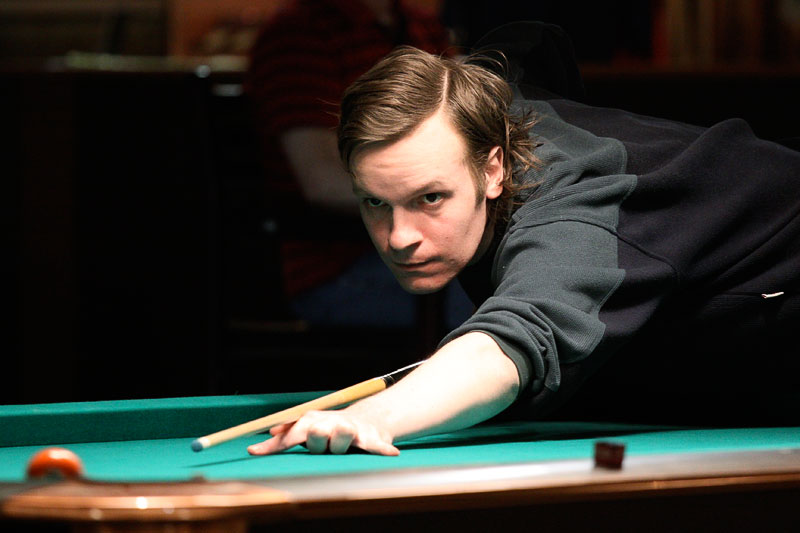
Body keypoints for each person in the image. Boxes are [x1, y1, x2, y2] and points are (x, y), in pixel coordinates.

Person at [247, 43, 800, 457]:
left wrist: (377, 416)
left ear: (493, 169)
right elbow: (531, 41)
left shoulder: (574, 211)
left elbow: (513, 341)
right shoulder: (481, 99)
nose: (399, 237)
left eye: (430, 198)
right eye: (375, 202)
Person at [246, 0, 472, 329]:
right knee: (498, 297)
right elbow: (323, 183)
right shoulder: (299, 32)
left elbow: (464, 139)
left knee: (521, 275)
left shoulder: (421, 24)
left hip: (429, 249)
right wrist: (453, 199)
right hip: (337, 269)